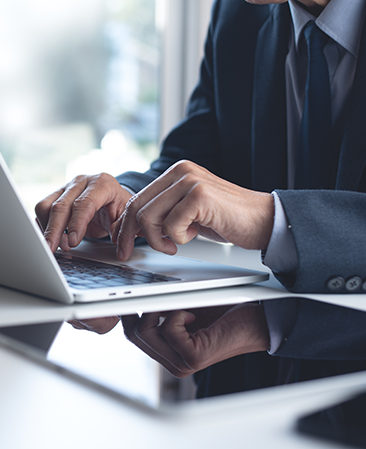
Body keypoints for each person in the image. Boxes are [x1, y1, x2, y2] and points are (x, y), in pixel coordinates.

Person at [36, 0, 366, 388]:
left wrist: (271, 220)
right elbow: (196, 159)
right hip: (246, 388)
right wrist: (128, 200)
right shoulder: (239, 13)